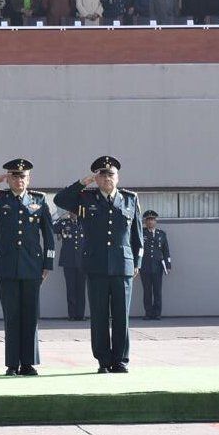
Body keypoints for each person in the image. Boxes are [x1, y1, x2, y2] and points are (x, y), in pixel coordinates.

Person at [54, 156, 143, 374]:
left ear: (118, 177)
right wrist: (83, 182)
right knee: (99, 315)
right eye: (102, 175)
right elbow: (60, 199)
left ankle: (120, 360)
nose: (106, 178)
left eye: (110, 174)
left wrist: (137, 263)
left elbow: (137, 237)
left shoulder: (130, 199)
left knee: (121, 316)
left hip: (123, 266)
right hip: (96, 266)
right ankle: (103, 360)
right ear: (96, 178)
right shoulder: (86, 198)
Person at [0, 158, 54, 376]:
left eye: (23, 176)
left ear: (29, 178)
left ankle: (29, 363)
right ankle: (12, 364)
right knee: (12, 315)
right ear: (8, 178)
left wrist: (48, 263)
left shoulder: (39, 200)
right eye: (14, 175)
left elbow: (49, 235)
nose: (19, 179)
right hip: (6, 265)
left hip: (33, 266)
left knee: (30, 315)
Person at [53, 212, 86, 320]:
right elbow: (52, 227)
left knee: (81, 289)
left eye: (75, 211)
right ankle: (72, 315)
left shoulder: (84, 222)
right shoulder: (64, 223)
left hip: (82, 261)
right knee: (71, 289)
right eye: (71, 211)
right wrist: (60, 217)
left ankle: (80, 315)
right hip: (68, 261)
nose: (73, 214)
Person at [141, 210, 172, 320]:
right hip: (144, 266)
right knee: (147, 291)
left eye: (152, 219)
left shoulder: (161, 234)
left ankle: (157, 313)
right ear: (145, 221)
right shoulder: (141, 233)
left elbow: (166, 250)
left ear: (156, 221)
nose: (150, 222)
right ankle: (148, 313)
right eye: (148, 220)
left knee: (157, 291)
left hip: (158, 267)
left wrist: (168, 265)